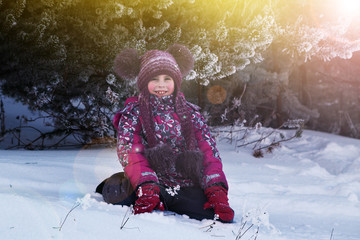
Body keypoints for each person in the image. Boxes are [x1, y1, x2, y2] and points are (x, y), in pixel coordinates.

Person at [99, 44, 234, 223]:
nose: (161, 84)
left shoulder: (192, 114)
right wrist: (147, 186)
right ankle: (123, 187)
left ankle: (170, 201)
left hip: (184, 185)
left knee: (211, 214)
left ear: (176, 81)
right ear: (144, 82)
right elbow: (130, 152)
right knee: (121, 195)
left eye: (167, 78)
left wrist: (216, 189)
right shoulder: (134, 113)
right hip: (149, 181)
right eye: (154, 79)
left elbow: (210, 154)